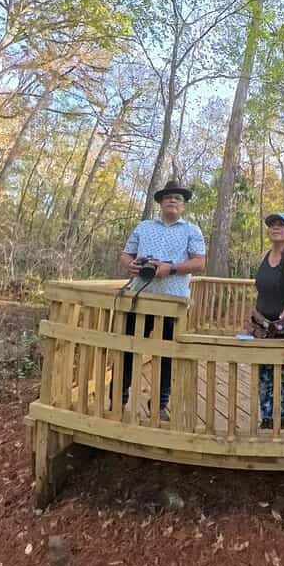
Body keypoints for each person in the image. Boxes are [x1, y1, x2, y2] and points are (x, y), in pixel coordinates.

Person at [112, 180, 206, 421]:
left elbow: (199, 262)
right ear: (160, 202)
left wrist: (171, 268)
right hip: (139, 298)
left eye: (177, 198)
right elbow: (125, 254)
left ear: (183, 205)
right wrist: (130, 264)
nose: (172, 200)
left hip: (172, 302)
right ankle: (117, 399)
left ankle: (159, 406)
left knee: (166, 355)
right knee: (128, 349)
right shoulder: (143, 227)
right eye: (167, 197)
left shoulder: (191, 230)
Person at [246, 212, 284, 430]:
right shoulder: (264, 255)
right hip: (263, 326)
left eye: (281, 225)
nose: (275, 228)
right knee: (264, 372)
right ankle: (266, 418)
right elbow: (263, 287)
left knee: (283, 373)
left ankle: (281, 419)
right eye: (272, 225)